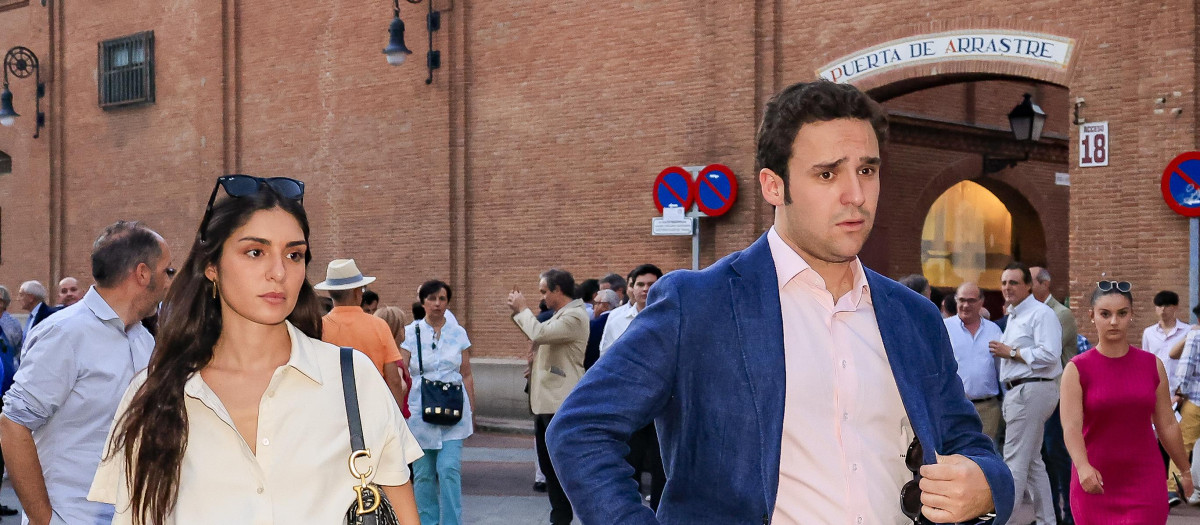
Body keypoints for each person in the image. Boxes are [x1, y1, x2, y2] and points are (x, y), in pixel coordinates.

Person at [547, 80, 1012, 524]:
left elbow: (966, 442)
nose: (856, 195)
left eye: (867, 170)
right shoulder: (699, 305)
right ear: (774, 187)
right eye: (827, 173)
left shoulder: (914, 316)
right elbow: (580, 431)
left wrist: (988, 486)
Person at [87, 175, 421, 524]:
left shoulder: (352, 379)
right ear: (211, 267)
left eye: (294, 255)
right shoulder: (154, 392)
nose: (278, 272)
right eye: (255, 252)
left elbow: (403, 513)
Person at [0, 221, 172, 524]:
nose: (171, 282)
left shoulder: (143, 340)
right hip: (72, 516)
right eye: (167, 271)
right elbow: (13, 424)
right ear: (143, 273)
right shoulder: (65, 333)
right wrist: (44, 520)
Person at [1062, 280, 1193, 523]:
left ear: (1131, 315)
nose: (1114, 321)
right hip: (1094, 479)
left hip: (1145, 480)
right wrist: (1082, 467)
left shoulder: (1151, 365)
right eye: (1105, 314)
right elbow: (1071, 427)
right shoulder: (1077, 369)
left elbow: (1167, 424)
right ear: (1092, 316)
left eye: (1122, 313)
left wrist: (1185, 470)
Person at [508, 269, 589, 525]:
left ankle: (567, 517)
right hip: (546, 402)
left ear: (557, 290)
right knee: (549, 468)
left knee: (561, 469)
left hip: (559, 403)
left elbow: (539, 334)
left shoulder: (575, 315)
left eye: (544, 291)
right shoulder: (560, 315)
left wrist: (522, 308)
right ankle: (560, 518)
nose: (541, 297)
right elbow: (539, 337)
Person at [990, 262, 1062, 525]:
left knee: (1014, 462)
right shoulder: (1015, 316)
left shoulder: (1040, 314)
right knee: (1032, 463)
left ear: (1028, 286)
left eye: (1014, 282)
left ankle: (1004, 520)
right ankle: (1047, 520)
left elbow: (1050, 354)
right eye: (1004, 282)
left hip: (1031, 388)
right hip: (1022, 391)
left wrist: (1010, 352)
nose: (1007, 288)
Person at [402, 280, 475, 525]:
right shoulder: (410, 333)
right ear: (422, 301)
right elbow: (403, 373)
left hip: (454, 409)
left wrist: (472, 409)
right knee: (423, 474)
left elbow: (466, 373)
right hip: (420, 411)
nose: (437, 304)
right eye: (432, 299)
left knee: (449, 470)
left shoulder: (459, 333)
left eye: (442, 299)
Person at [316, 259, 407, 409]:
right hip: (372, 409)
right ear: (357, 292)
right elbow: (394, 380)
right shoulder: (378, 326)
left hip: (333, 410)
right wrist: (397, 421)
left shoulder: (319, 327)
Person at [1030, 265, 1078, 523]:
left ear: (1044, 284)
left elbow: (1046, 351)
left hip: (1060, 397)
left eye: (1030, 281)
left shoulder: (1062, 314)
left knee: (1059, 456)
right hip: (1037, 397)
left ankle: (1071, 514)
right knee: (1042, 458)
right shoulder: (1028, 314)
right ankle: (1051, 517)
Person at [946, 282, 1003, 445]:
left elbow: (1002, 368)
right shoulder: (944, 328)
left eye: (971, 300)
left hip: (988, 409)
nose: (965, 305)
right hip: (955, 408)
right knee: (956, 453)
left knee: (984, 455)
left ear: (981, 302)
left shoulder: (994, 331)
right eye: (961, 300)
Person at [598, 264, 662, 357]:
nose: (645, 289)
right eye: (640, 284)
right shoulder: (617, 321)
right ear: (633, 288)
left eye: (651, 284)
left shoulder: (671, 319)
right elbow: (605, 356)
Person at [375, 306, 415, 419]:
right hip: (397, 417)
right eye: (402, 326)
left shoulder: (378, 355)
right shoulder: (394, 358)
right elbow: (400, 385)